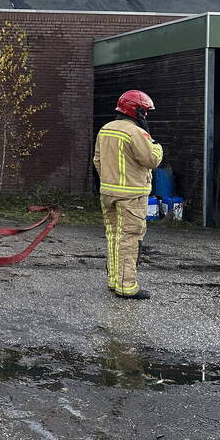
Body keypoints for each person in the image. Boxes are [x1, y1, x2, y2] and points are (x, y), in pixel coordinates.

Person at [92, 90, 164, 299]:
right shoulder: (135, 133)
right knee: (129, 239)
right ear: (137, 110)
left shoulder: (106, 130)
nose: (147, 116)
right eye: (145, 112)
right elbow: (151, 159)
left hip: (108, 192)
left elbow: (97, 160)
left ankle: (114, 280)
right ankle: (126, 286)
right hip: (131, 196)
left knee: (113, 237)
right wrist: (158, 147)